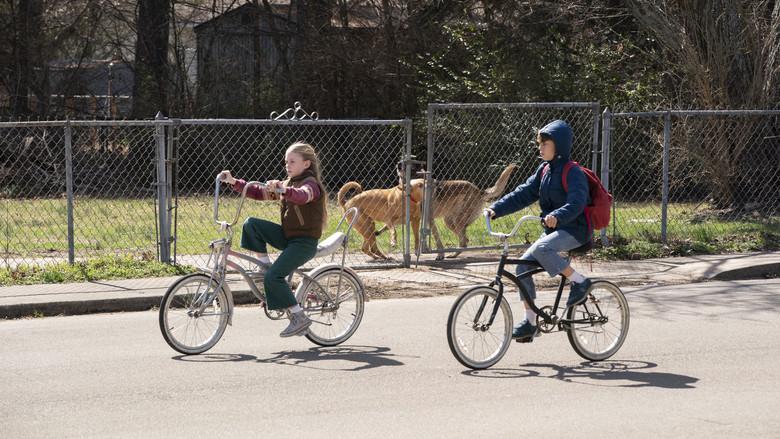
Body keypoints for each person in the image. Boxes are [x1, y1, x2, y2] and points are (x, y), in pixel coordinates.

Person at [484, 120, 592, 342]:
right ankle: (531, 322)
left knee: (542, 248)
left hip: (575, 229)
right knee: (522, 266)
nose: (540, 148)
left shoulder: (573, 172)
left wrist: (558, 216)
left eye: (545, 143)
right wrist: (496, 209)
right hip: (555, 231)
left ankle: (580, 281)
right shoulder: (544, 171)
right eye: (539, 143)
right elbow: (522, 194)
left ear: (559, 146)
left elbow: (577, 202)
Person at [219, 142, 327, 338]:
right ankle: (265, 266)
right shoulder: (288, 183)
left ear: (306, 164)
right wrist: (234, 181)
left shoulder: (311, 185)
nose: (287, 165)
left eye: (292, 161)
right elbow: (257, 192)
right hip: (288, 237)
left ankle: (298, 317)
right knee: (251, 224)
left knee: (274, 278)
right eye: (286, 161)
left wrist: (283, 190)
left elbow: (303, 196)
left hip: (304, 243)